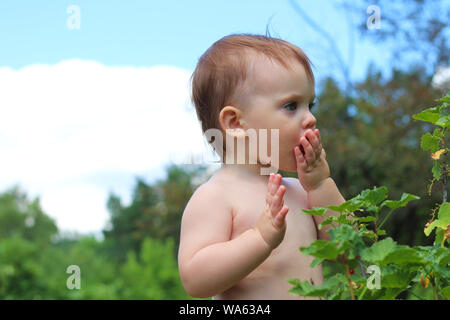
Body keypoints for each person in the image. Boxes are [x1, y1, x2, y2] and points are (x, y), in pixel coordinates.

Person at [177, 34, 346, 300]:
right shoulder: (215, 197)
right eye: (292, 106)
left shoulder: (302, 193)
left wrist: (321, 184)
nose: (311, 118)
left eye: (310, 105)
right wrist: (260, 239)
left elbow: (349, 251)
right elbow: (196, 281)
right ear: (235, 123)